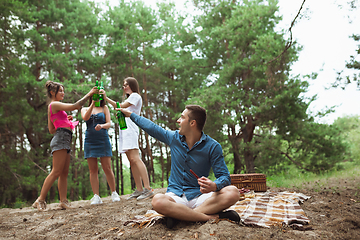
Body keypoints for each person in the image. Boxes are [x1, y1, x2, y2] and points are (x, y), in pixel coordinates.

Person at [118, 105, 241, 228]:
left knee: (233, 192)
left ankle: (181, 216)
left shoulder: (213, 146)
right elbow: (152, 127)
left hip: (200, 197)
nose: (178, 120)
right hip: (175, 198)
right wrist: (130, 114)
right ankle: (211, 217)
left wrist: (214, 185)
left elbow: (224, 177)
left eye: (182, 118)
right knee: (158, 200)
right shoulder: (173, 138)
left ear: (192, 123)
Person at [32, 81, 98, 211]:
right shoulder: (54, 104)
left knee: (64, 173)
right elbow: (75, 106)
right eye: (60, 91)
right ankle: (40, 200)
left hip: (64, 138)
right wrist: (89, 94)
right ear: (52, 92)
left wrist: (64, 120)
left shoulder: (54, 107)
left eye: (63, 90)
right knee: (56, 171)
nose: (63, 93)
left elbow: (51, 129)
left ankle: (63, 201)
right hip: (61, 139)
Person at [102, 77, 154, 200]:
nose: (124, 87)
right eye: (123, 85)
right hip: (125, 128)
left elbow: (120, 105)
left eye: (127, 85)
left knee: (135, 158)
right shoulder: (130, 98)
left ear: (133, 85)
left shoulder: (135, 96)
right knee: (131, 159)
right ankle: (139, 189)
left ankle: (148, 188)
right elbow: (121, 108)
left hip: (131, 127)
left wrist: (106, 98)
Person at [81, 95, 121, 205]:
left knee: (107, 167)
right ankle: (96, 196)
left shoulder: (105, 108)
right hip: (89, 140)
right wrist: (92, 104)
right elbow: (85, 117)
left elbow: (109, 123)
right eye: (95, 95)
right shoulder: (84, 109)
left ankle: (114, 192)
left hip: (103, 139)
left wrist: (102, 126)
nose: (97, 97)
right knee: (92, 170)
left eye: (99, 96)